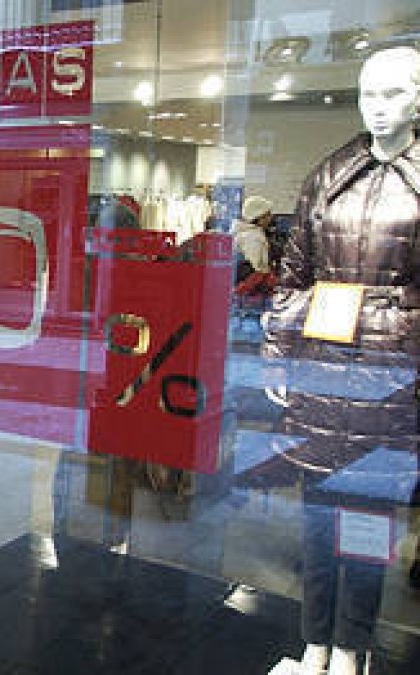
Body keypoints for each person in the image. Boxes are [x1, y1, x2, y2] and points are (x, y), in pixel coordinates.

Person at [261, 47, 420, 675]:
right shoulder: (331, 174)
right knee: (318, 520)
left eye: (392, 93)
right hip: (323, 374)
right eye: (367, 94)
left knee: (370, 527)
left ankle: (353, 649)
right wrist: (279, 358)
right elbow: (294, 275)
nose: (377, 107)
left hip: (391, 378)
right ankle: (314, 644)